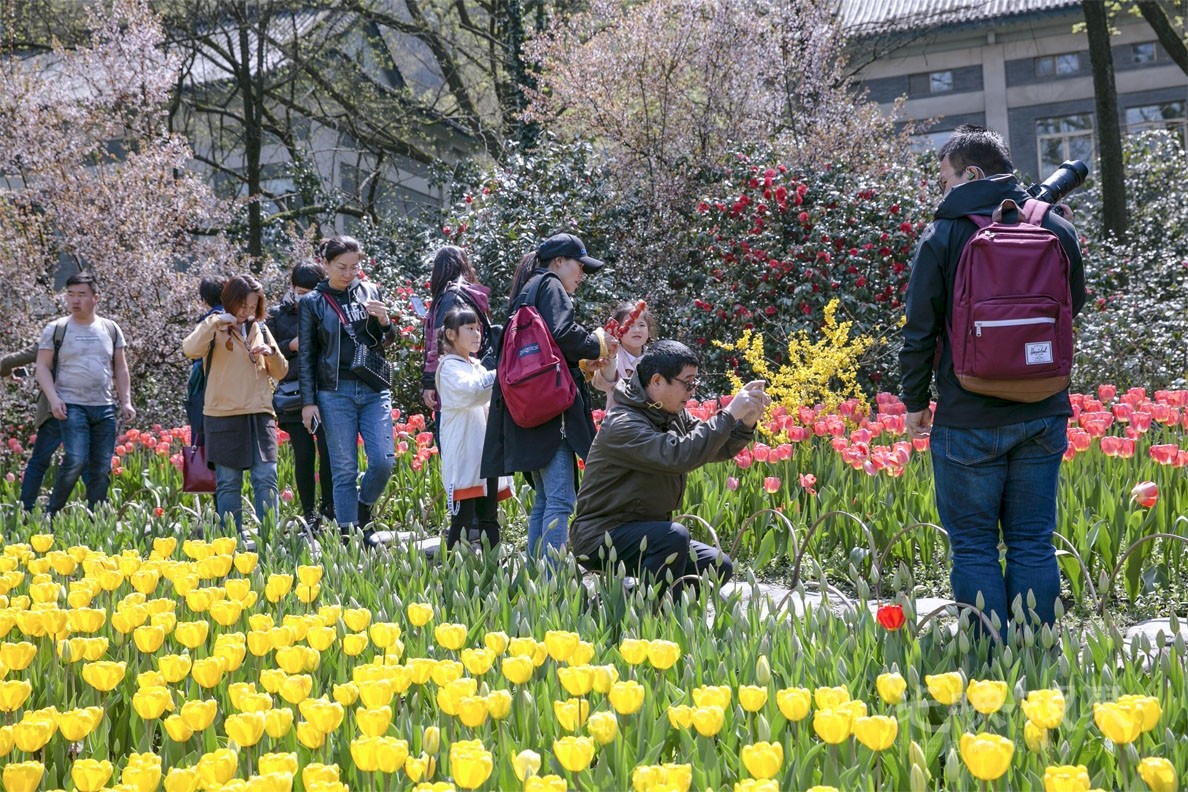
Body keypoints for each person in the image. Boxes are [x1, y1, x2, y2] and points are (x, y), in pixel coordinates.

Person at [899, 125, 1086, 640]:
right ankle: (1034, 650)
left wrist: (915, 401)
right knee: (1031, 540)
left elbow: (920, 328)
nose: (943, 191)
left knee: (976, 545)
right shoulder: (1055, 227)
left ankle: (988, 657)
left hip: (968, 413)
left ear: (972, 174)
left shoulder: (943, 234)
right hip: (1043, 408)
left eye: (946, 179)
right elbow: (1073, 308)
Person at [571, 340, 769, 592]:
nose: (692, 391)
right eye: (687, 382)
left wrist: (746, 422)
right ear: (656, 381)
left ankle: (642, 603)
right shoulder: (623, 423)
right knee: (673, 536)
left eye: (694, 382)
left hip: (647, 533)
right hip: (601, 535)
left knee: (717, 566)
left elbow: (715, 447)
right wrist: (728, 414)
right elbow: (678, 456)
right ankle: (650, 615)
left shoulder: (670, 414)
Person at [481, 233, 617, 560]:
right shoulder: (551, 285)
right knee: (560, 500)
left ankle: (535, 578)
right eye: (579, 265)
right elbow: (563, 334)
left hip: (527, 409)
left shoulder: (526, 291)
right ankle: (550, 581)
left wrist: (581, 362)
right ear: (558, 262)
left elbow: (546, 349)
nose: (582, 274)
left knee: (543, 501)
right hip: (551, 413)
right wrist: (598, 342)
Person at [298, 235, 398, 548]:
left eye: (355, 267)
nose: (349, 273)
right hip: (334, 391)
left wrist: (384, 321)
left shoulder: (369, 290)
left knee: (383, 461)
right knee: (344, 470)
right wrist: (308, 402)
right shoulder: (312, 302)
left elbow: (387, 340)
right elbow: (306, 356)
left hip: (372, 387)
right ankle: (350, 536)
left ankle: (362, 508)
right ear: (325, 264)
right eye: (342, 267)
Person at [182, 275, 287, 549]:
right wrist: (214, 322)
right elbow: (190, 349)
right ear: (230, 300)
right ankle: (230, 546)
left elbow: (281, 371)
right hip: (223, 414)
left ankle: (269, 544)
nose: (247, 311)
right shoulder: (214, 326)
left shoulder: (259, 328)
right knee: (229, 483)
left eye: (253, 306)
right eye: (243, 305)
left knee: (267, 478)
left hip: (260, 413)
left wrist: (271, 353)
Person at [34, 272, 135, 519]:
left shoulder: (110, 329)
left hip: (104, 406)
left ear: (95, 298)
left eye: (81, 295)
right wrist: (54, 399)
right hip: (71, 404)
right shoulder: (56, 328)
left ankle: (95, 520)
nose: (74, 300)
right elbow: (42, 368)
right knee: (76, 459)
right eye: (70, 295)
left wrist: (126, 401)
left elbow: (120, 367)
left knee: (101, 468)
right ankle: (52, 514)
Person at [267, 262, 335, 531]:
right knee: (304, 454)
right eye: (299, 290)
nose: (303, 296)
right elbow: (266, 351)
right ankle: (309, 513)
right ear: (291, 287)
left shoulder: (327, 309)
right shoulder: (276, 315)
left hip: (325, 391)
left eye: (309, 291)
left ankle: (329, 507)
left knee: (329, 453)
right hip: (293, 395)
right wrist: (289, 346)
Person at [435, 306, 504, 551]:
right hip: (465, 451)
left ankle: (494, 567)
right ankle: (451, 570)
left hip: (484, 449)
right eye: (469, 328)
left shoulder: (475, 365)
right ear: (451, 335)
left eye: (478, 328)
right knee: (463, 518)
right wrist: (503, 370)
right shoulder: (449, 368)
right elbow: (472, 392)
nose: (477, 334)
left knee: (489, 515)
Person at [420, 246, 496, 417]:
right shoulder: (470, 294)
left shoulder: (450, 298)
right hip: (472, 371)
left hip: (455, 379)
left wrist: (430, 382)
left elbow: (439, 344)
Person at [2, 343, 66, 513]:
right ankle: (92, 513)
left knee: (38, 462)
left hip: (52, 409)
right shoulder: (99, 332)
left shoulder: (54, 335)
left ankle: (26, 511)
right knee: (85, 462)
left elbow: (11, 360)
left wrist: (6, 372)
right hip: (88, 407)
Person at [185, 275, 227, 444]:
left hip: (209, 394)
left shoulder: (206, 324)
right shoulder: (240, 320)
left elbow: (193, 355)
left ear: (203, 300)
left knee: (207, 445)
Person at [593, 301, 656, 411]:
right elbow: (602, 383)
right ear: (618, 330)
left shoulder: (655, 359)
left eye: (641, 325)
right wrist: (611, 359)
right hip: (620, 422)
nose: (636, 330)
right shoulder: (611, 355)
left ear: (649, 331)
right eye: (630, 326)